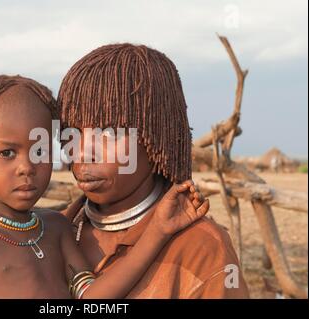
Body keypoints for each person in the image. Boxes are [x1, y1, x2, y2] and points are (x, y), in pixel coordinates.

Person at [0, 74, 209, 298]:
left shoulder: (56, 227)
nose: (26, 167)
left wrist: (157, 232)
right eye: (7, 153)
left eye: (40, 152)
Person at [58, 43, 250, 298]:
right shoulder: (46, 235)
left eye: (109, 133)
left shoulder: (201, 250)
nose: (82, 152)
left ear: (156, 138)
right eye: (72, 132)